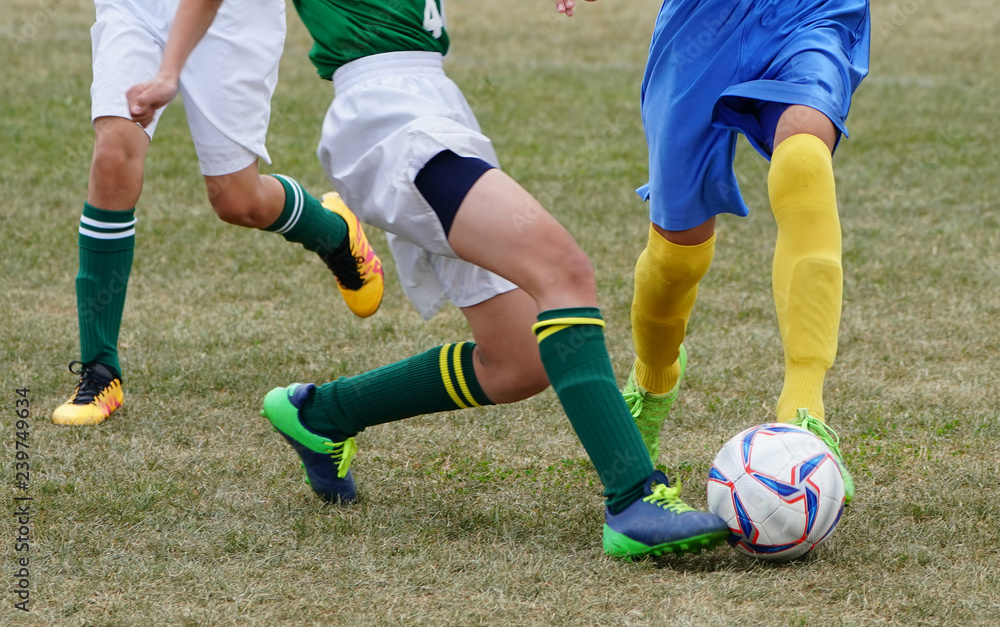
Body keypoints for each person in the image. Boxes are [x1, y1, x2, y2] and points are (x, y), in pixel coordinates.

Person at [130, 0, 730, 559]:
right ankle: (632, 500)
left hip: (431, 103)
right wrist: (169, 70)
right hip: (387, 117)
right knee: (563, 270)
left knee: (519, 362)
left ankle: (320, 415)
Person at [52, 0, 384, 426]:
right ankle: (100, 370)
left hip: (232, 16)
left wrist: (168, 72)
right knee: (113, 155)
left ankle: (334, 232)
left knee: (237, 201)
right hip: (137, 7)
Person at [611, 0, 870, 505]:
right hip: (699, 24)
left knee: (804, 162)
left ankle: (803, 411)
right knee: (676, 257)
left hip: (810, 12)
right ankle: (652, 382)